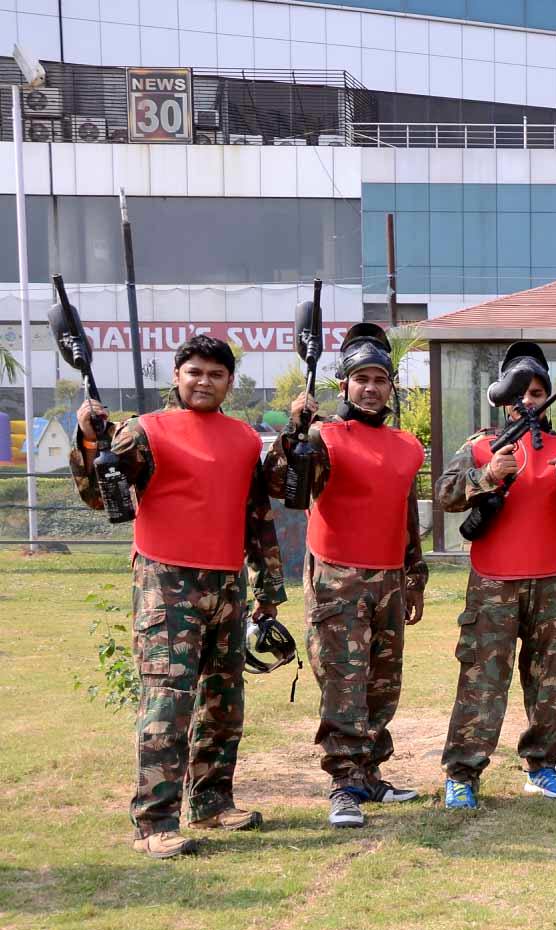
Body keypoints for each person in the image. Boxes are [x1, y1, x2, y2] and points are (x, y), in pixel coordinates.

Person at [71, 335, 285, 858]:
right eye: (194, 371)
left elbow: (256, 515)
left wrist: (270, 584)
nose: (204, 380)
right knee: (167, 701)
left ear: (230, 383)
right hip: (166, 583)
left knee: (224, 700)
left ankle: (212, 802)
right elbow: (102, 494)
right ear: (176, 375)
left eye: (215, 373)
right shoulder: (142, 432)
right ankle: (155, 821)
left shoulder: (242, 439)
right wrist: (89, 442)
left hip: (228, 584)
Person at [436, 343, 556, 807]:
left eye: (537, 391)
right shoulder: (481, 444)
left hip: (553, 581)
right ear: (502, 396)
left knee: (550, 680)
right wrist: (487, 474)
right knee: (483, 678)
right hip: (494, 582)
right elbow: (445, 494)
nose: (529, 400)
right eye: (520, 392)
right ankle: (463, 773)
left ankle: (543, 765)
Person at [265, 324, 428, 829]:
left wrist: (414, 575)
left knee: (383, 681)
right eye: (362, 378)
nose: (372, 388)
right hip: (337, 578)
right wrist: (293, 434)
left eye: (380, 378)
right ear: (344, 385)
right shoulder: (322, 437)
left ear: (391, 387)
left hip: (389, 579)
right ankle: (344, 783)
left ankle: (371, 773)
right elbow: (281, 485)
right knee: (343, 682)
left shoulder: (407, 445)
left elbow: (405, 514)